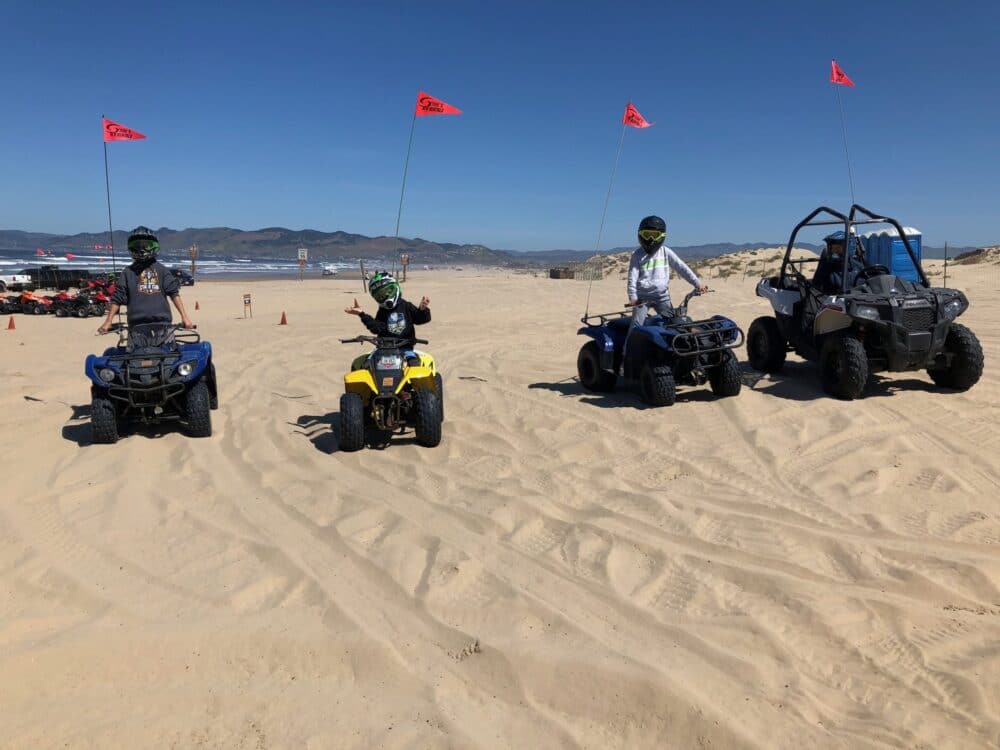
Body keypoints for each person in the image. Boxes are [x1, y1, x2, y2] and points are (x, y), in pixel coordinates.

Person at [97, 227, 194, 346]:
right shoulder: (127, 272)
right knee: (134, 357)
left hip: (163, 327)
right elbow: (117, 298)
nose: (141, 249)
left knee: (168, 355)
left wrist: (185, 317)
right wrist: (108, 321)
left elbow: (174, 293)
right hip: (136, 328)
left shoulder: (162, 270)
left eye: (146, 245)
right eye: (137, 245)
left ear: (154, 246)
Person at [626, 215, 707, 325]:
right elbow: (632, 278)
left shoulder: (665, 252)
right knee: (636, 326)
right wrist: (633, 297)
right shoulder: (637, 255)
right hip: (642, 298)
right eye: (647, 234)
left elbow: (681, 267)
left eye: (655, 235)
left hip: (662, 297)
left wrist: (697, 283)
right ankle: (630, 337)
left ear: (662, 236)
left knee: (673, 324)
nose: (651, 239)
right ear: (640, 234)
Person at [345, 271, 430, 352]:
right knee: (364, 361)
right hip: (384, 349)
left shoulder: (406, 306)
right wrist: (361, 314)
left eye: (389, 291)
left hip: (405, 349)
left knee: (414, 361)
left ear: (396, 286)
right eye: (380, 295)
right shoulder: (382, 311)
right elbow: (376, 328)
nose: (386, 296)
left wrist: (422, 310)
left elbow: (420, 319)